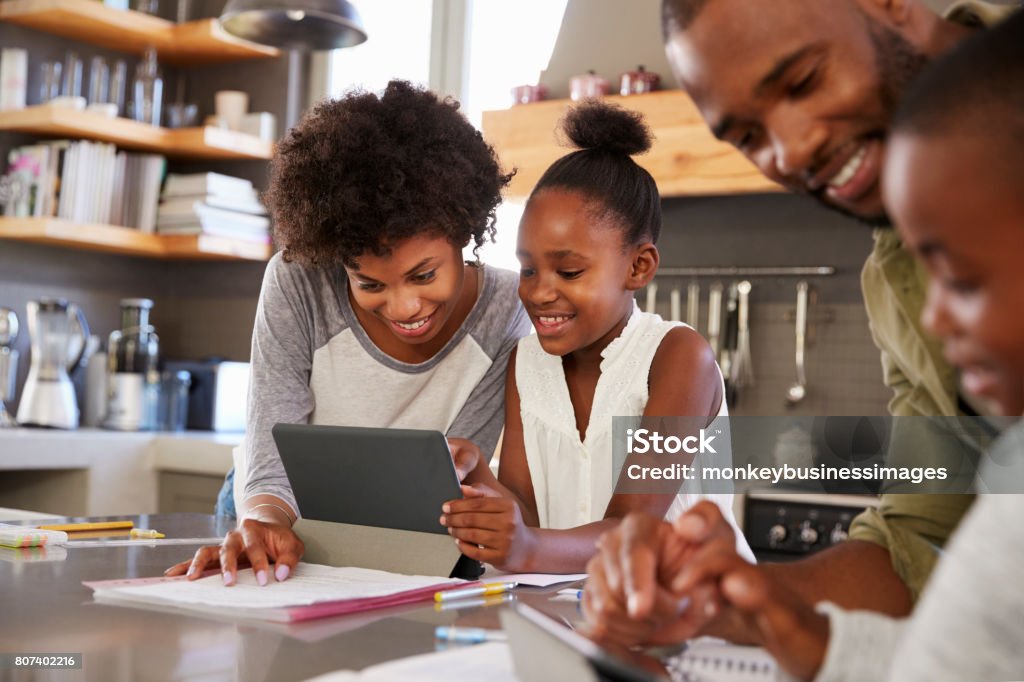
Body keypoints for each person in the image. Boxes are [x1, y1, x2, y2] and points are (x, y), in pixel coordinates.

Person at [595, 15, 1024, 680]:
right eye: (746, 136)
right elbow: (923, 535)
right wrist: (753, 601)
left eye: (802, 80)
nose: (787, 154)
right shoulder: (890, 279)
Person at [165, 80, 531, 586]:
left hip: (402, 528)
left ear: (464, 232)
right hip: (271, 509)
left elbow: (450, 479)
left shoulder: (506, 309)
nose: (404, 307)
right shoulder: (297, 281)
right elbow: (271, 437)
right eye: (370, 283)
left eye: (424, 275)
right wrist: (265, 522)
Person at [437, 101, 753, 573]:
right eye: (528, 269)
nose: (540, 291)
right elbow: (528, 516)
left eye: (569, 270)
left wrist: (527, 548)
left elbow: (633, 530)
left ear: (638, 266)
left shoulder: (679, 357)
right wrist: (477, 472)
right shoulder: (525, 362)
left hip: (699, 617)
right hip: (579, 616)